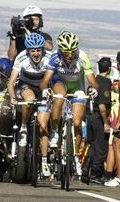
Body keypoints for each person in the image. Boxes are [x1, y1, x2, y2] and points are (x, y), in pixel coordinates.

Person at [40, 30, 99, 175]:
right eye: (66, 52)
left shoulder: (83, 57)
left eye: (72, 51)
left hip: (77, 87)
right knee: (59, 95)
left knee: (78, 122)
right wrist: (45, 90)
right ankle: (54, 131)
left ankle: (76, 156)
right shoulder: (55, 58)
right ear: (61, 50)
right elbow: (45, 81)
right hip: (60, 83)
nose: (70, 55)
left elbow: (93, 82)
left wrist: (93, 90)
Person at [8, 33, 52, 177]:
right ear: (28, 51)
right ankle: (24, 126)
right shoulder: (21, 57)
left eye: (38, 50)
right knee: (29, 99)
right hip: (26, 86)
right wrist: (13, 97)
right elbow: (11, 82)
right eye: (33, 50)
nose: (36, 53)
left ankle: (45, 161)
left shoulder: (49, 58)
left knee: (44, 125)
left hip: (43, 88)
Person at [83, 57, 112, 184]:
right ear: (109, 69)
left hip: (90, 116)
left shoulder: (93, 81)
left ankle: (86, 168)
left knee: (93, 145)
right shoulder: (104, 82)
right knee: (101, 148)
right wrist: (106, 122)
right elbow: (102, 105)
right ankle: (95, 174)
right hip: (99, 117)